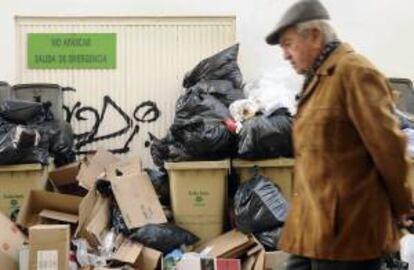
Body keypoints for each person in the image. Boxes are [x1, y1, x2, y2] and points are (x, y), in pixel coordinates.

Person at [265, 0, 414, 269]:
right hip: (311, 226)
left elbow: (389, 148)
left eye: (288, 44)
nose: (285, 55)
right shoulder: (319, 78)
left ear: (314, 35)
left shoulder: (355, 73)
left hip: (347, 231)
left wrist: (403, 206)